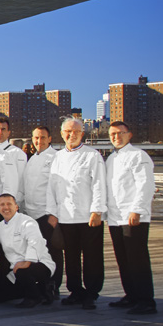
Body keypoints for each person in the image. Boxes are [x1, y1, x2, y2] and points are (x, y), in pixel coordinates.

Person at [48, 117, 107, 309]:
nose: (71, 135)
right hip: (65, 216)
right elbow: (52, 187)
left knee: (92, 256)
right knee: (71, 256)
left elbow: (99, 184)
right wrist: (53, 212)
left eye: (75, 132)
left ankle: (91, 292)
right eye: (68, 131)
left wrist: (97, 210)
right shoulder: (58, 157)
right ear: (62, 133)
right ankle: (75, 290)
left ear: (82, 134)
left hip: (88, 216)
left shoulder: (92, 156)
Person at [104, 121, 155, 315]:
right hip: (116, 218)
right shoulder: (111, 159)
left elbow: (145, 185)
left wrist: (137, 210)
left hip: (133, 216)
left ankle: (146, 300)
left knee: (138, 260)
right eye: (113, 134)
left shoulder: (138, 155)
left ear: (129, 134)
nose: (116, 137)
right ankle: (131, 295)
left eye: (120, 133)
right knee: (123, 259)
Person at [21, 125, 64, 296]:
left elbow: (59, 188)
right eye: (36, 138)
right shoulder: (31, 159)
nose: (39, 141)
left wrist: (54, 215)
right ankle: (41, 283)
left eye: (42, 138)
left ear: (50, 139)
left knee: (53, 252)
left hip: (46, 214)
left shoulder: (56, 157)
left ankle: (54, 285)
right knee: (36, 251)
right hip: (30, 214)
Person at [0, 194, 56, 308]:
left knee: (23, 271)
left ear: (16, 207)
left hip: (39, 263)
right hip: (16, 269)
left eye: (9, 204)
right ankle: (41, 290)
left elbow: (35, 242)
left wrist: (28, 261)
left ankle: (34, 297)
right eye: (2, 205)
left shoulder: (27, 222)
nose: (6, 207)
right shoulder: (0, 226)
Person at [0, 116, 28, 183]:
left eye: (3, 129)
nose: (0, 132)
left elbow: (21, 179)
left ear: (8, 133)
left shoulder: (18, 153)